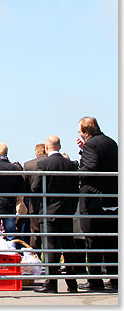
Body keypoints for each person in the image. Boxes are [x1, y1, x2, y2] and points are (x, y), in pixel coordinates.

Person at [32, 135, 79, 294]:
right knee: (68, 247)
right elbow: (75, 189)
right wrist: (72, 207)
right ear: (59, 146)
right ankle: (72, 284)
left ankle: (51, 283)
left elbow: (35, 188)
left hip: (49, 211)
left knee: (51, 248)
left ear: (46, 148)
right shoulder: (71, 164)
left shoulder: (43, 164)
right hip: (66, 211)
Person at [76, 116, 118, 291]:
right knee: (111, 242)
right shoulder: (110, 142)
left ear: (86, 132)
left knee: (92, 240)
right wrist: (83, 151)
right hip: (112, 199)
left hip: (95, 200)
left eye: (80, 131)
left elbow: (91, 167)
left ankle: (94, 280)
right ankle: (115, 277)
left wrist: (76, 171)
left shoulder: (92, 145)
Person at [23, 143, 48, 250]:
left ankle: (36, 260)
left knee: (35, 233)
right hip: (53, 204)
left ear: (36, 152)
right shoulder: (52, 162)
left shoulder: (28, 165)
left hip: (35, 203)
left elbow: (24, 186)